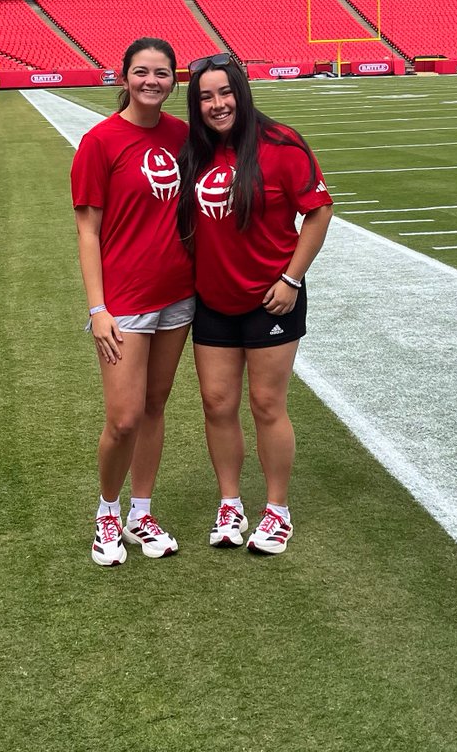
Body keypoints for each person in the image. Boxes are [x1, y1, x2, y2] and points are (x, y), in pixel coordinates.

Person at [177, 53, 333, 555]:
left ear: (241, 93)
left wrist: (292, 278)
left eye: (225, 93)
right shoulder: (193, 152)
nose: (217, 104)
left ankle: (277, 509)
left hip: (273, 299)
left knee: (267, 404)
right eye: (205, 96)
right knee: (217, 404)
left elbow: (319, 212)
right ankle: (229, 502)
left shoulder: (281, 144)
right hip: (213, 300)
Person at [71, 37, 194, 567]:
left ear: (174, 80)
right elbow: (87, 231)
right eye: (141, 72)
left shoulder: (184, 137)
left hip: (178, 296)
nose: (152, 81)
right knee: (122, 418)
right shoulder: (99, 141)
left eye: (162, 73)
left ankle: (141, 511)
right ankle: (107, 511)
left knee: (154, 406)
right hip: (124, 302)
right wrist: (98, 309)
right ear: (122, 77)